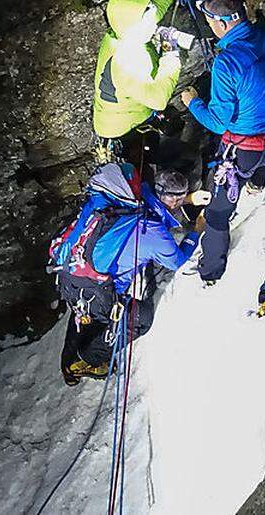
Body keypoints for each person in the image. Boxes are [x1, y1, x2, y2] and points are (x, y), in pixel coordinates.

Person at [179, 0, 265, 283]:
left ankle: (210, 272)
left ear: (220, 24)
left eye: (208, 19)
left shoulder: (227, 64)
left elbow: (219, 123)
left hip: (245, 151)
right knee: (256, 164)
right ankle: (256, 183)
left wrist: (192, 102)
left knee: (218, 215)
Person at [49, 164, 201, 385]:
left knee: (83, 314)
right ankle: (86, 359)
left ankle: (69, 362)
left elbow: (157, 202)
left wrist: (188, 199)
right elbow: (177, 261)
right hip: (98, 290)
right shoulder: (152, 232)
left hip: (71, 271)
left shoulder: (129, 201)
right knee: (140, 318)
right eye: (177, 199)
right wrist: (196, 231)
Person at [92, 0, 192, 161]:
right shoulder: (128, 60)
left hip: (118, 119)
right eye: (148, 17)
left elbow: (154, 8)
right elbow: (157, 99)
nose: (153, 21)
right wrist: (170, 52)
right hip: (124, 130)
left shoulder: (121, 31)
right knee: (154, 164)